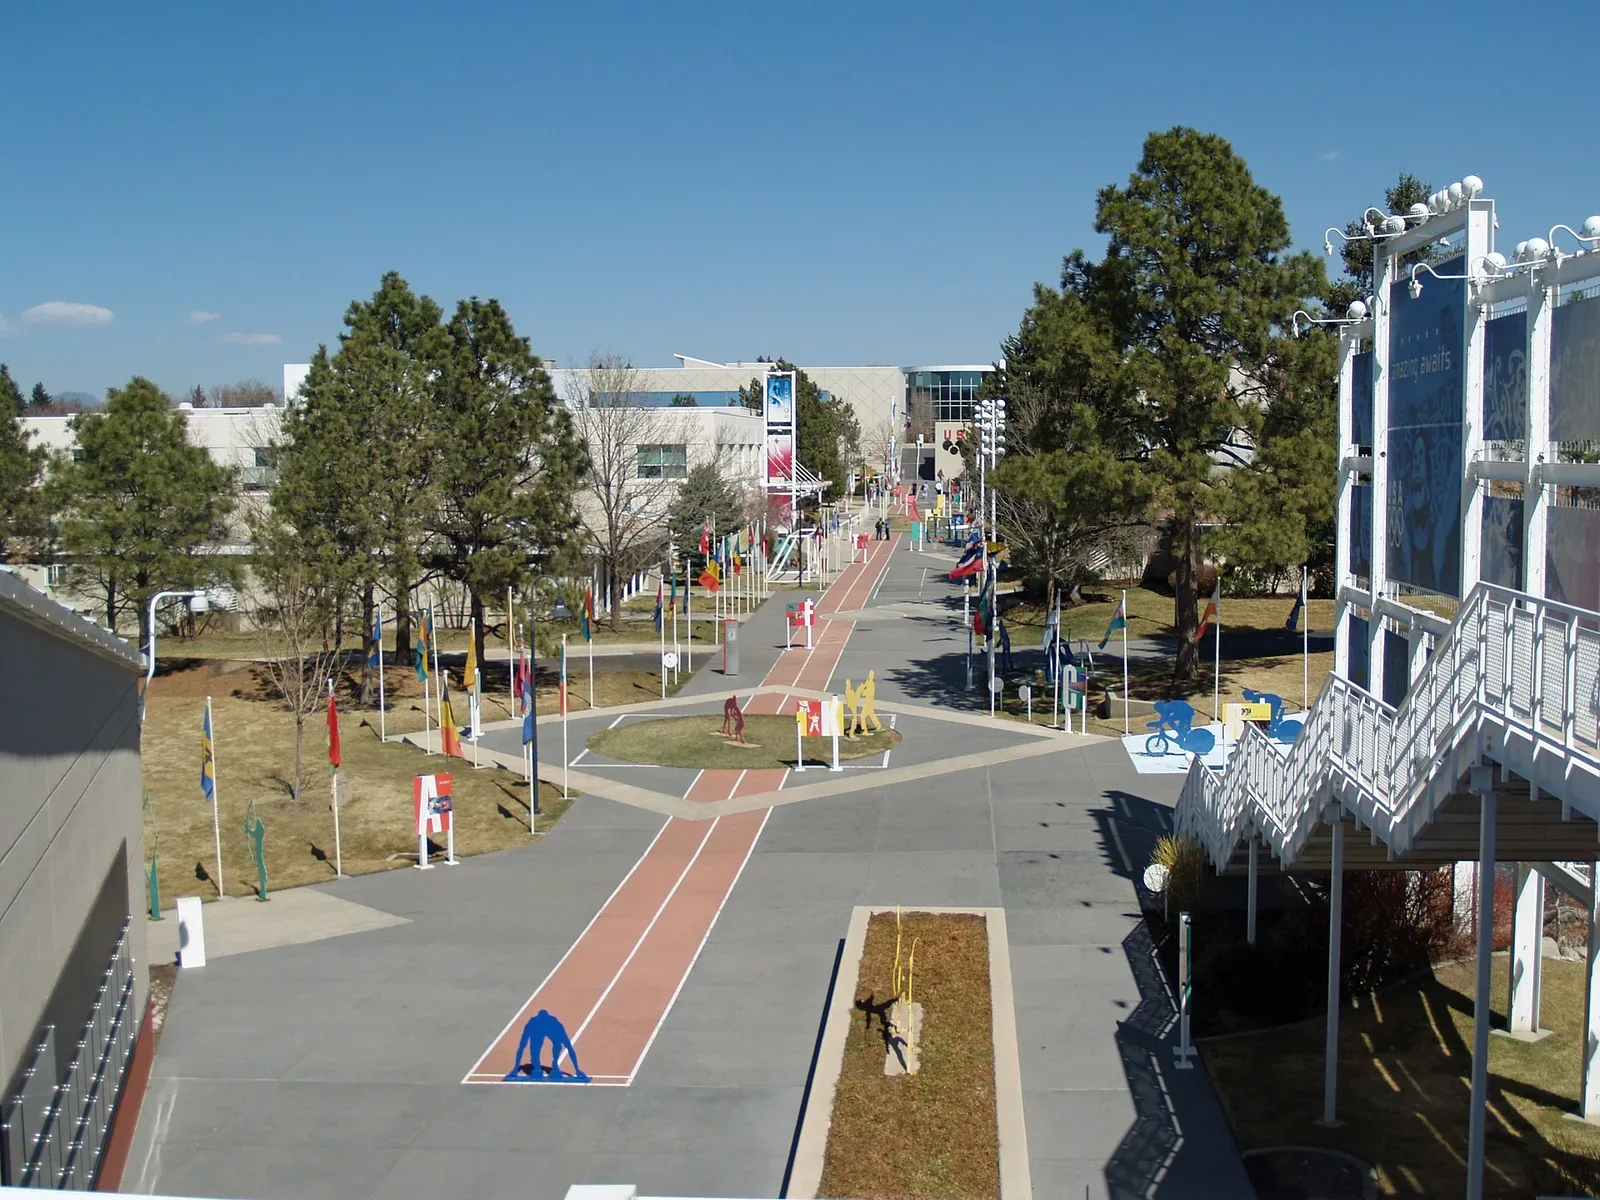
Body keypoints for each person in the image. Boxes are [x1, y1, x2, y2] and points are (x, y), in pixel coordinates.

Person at [511, 1009, 589, 1081]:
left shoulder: (554, 1024)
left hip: (549, 1028)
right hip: (540, 1029)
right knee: (535, 1047)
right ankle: (537, 1065)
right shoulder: (533, 1024)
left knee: (558, 1045)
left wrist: (577, 1069)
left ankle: (554, 1063)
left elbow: (568, 1046)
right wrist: (515, 1068)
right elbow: (522, 1045)